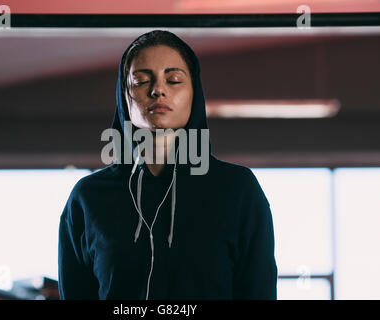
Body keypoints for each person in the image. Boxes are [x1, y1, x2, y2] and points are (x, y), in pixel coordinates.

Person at [58, 30, 277, 300]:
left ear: (194, 93)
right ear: (123, 97)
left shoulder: (238, 189)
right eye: (140, 80)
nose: (157, 90)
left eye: (173, 80)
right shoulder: (88, 198)